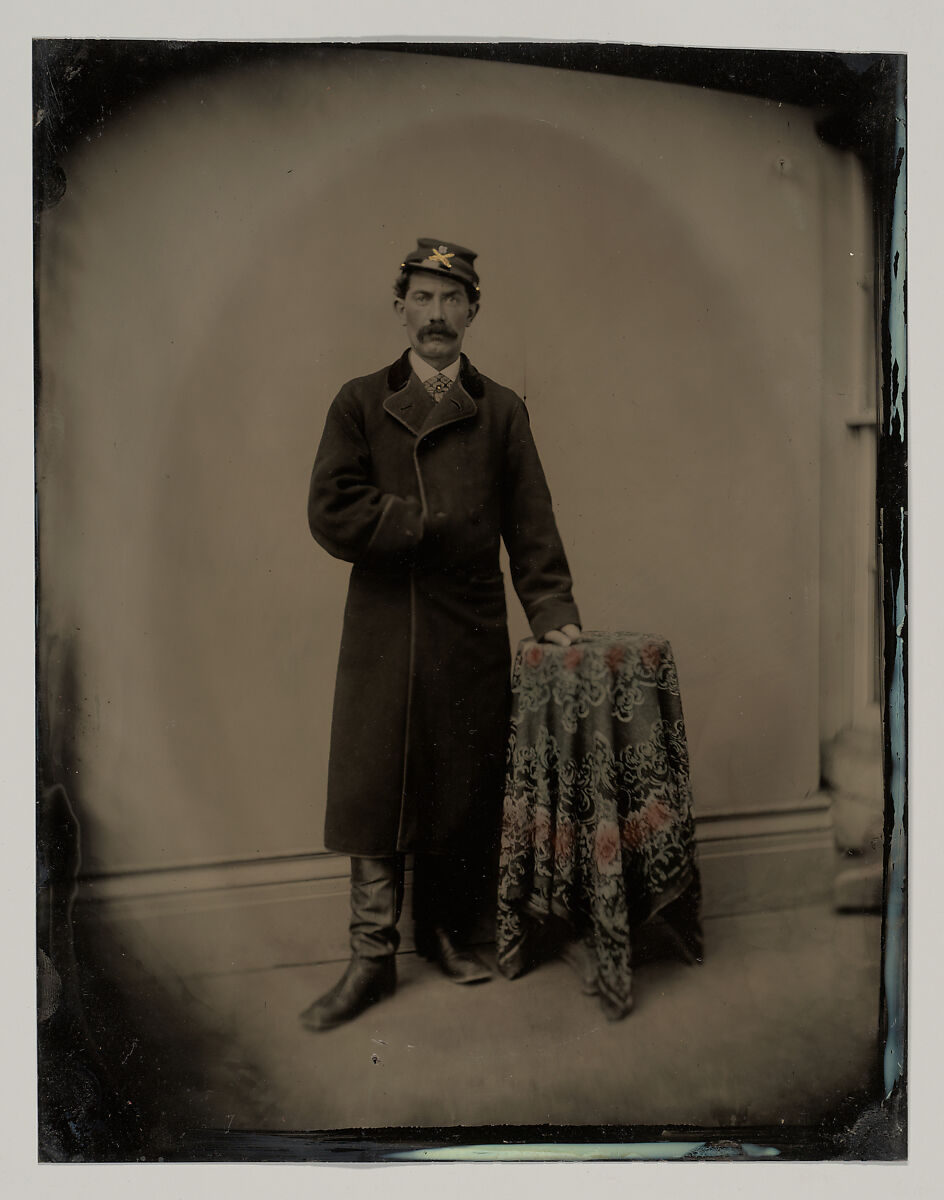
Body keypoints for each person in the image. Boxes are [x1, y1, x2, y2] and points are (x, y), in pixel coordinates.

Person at [300, 237, 580, 1031]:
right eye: (422, 298)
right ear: (400, 309)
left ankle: (448, 934)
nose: (436, 315)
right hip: (388, 621)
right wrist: (412, 523)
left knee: (461, 788)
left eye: (452, 300)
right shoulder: (359, 401)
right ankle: (370, 960)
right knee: (375, 790)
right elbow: (330, 507)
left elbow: (533, 528)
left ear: (473, 312)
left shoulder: (501, 411)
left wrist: (553, 614)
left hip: (469, 624)